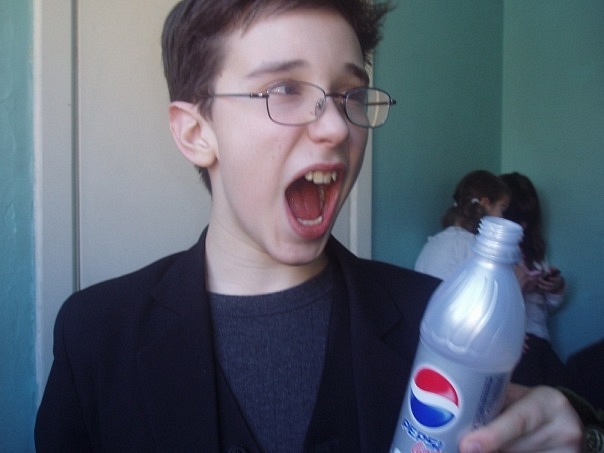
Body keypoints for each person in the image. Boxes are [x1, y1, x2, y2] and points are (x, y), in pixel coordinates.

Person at [34, 1, 584, 451]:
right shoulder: (95, 335)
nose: (337, 127)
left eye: (350, 95)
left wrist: (586, 435)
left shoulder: (437, 320)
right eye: (284, 89)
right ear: (196, 132)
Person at [499, 172, 566, 387]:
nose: (524, 225)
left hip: (540, 338)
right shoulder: (494, 253)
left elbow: (548, 307)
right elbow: (489, 306)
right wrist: (519, 286)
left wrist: (554, 288)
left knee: (572, 390)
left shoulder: (534, 252)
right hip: (518, 341)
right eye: (518, 219)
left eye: (528, 219)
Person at [414, 170, 510, 280]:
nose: (502, 217)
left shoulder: (439, 240)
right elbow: (489, 289)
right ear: (486, 204)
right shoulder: (471, 247)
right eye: (502, 208)